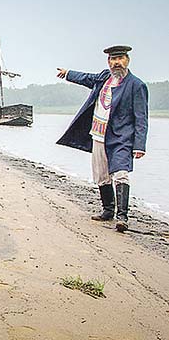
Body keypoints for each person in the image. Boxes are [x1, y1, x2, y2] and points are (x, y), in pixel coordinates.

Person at [56, 45, 148, 232]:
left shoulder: (136, 85)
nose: (116, 63)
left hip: (121, 138)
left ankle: (122, 218)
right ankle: (108, 210)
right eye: (113, 60)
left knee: (121, 173)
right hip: (98, 134)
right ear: (108, 62)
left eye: (120, 58)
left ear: (127, 61)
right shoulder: (104, 78)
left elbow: (141, 118)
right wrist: (67, 73)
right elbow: (85, 78)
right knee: (101, 174)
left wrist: (140, 145)